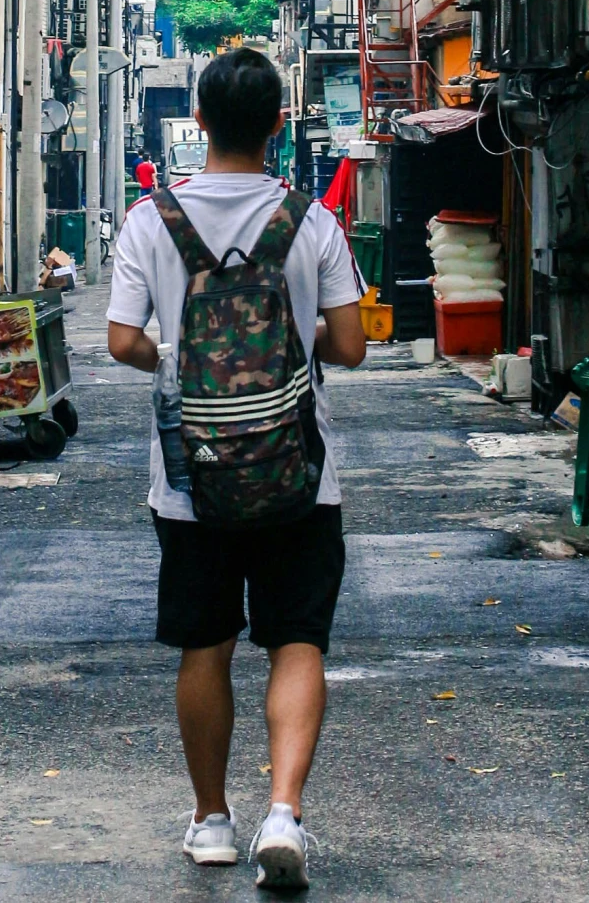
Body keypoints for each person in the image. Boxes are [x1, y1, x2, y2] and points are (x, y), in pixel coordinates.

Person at [107, 47, 365, 889]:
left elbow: (120, 342)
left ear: (201, 123)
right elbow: (352, 348)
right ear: (278, 125)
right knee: (297, 640)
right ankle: (283, 812)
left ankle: (212, 821)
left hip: (191, 479)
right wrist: (290, 345)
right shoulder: (310, 220)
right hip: (299, 473)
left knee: (204, 646)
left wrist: (187, 365)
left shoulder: (152, 220)